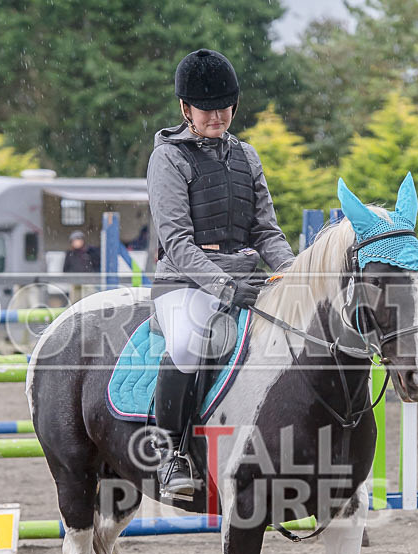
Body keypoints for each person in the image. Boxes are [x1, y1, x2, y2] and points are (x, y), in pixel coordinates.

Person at [147, 48, 294, 495]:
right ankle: (171, 455)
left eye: (224, 107)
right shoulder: (168, 159)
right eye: (206, 109)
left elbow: (266, 230)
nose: (216, 116)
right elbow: (176, 243)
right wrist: (224, 285)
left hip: (245, 281)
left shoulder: (247, 156)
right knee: (192, 341)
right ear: (185, 108)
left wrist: (293, 271)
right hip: (185, 284)